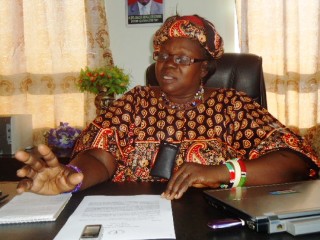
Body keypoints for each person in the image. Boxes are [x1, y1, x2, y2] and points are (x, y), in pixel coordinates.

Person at [14, 14, 319, 201]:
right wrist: (75, 175)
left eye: (183, 58)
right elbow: (101, 154)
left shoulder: (232, 106)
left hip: (212, 222)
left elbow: (294, 159)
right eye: (162, 56)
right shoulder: (135, 102)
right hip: (135, 221)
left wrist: (221, 172)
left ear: (205, 69)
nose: (168, 64)